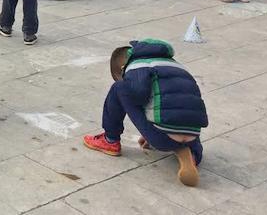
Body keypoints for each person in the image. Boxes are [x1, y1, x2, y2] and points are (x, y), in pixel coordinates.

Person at [83, 40, 207, 187]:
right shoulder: (175, 65)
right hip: (193, 134)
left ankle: (110, 140)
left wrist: (151, 131)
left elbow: (138, 96)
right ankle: (192, 153)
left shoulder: (138, 66)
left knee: (120, 88)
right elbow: (171, 102)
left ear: (123, 68)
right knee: (182, 112)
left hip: (162, 137)